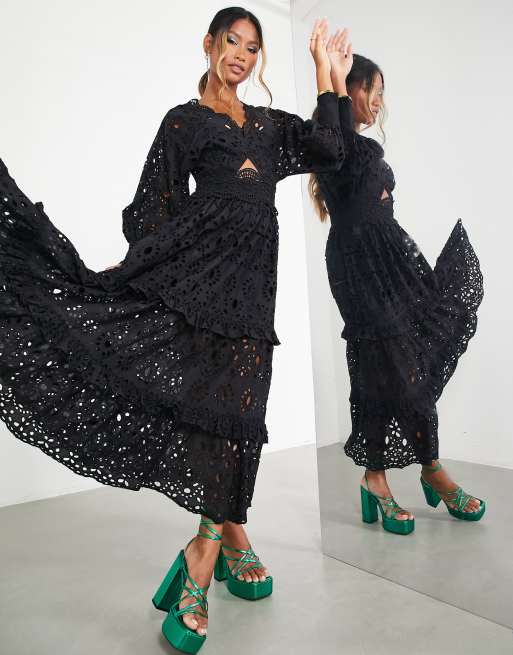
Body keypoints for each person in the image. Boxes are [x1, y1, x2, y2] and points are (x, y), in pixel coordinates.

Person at [0, 7, 347, 653]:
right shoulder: (183, 121)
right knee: (217, 413)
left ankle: (223, 535)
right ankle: (206, 551)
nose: (241, 55)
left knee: (240, 412)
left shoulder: (270, 126)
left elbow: (331, 149)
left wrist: (326, 73)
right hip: (198, 285)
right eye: (231, 42)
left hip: (253, 289)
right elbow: (152, 207)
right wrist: (152, 271)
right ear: (209, 44)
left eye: (253, 47)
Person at [308, 42, 485, 536]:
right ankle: (422, 471)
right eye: (374, 89)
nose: (379, 100)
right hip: (358, 267)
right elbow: (336, 136)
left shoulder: (363, 148)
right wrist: (333, 74)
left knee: (398, 368)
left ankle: (388, 476)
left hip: (391, 261)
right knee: (391, 368)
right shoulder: (335, 143)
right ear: (352, 91)